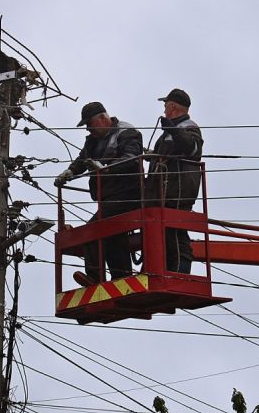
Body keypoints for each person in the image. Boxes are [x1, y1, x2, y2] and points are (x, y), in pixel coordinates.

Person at [55, 101, 143, 287]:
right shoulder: (94, 139)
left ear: (103, 118)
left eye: (90, 123)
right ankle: (122, 278)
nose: (88, 129)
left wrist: (106, 168)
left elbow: (132, 159)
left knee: (93, 230)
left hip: (128, 195)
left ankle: (95, 277)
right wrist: (70, 172)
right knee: (113, 236)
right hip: (108, 198)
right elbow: (83, 159)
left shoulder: (126, 132)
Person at [146, 88, 204, 274]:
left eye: (165, 106)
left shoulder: (189, 127)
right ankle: (164, 271)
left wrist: (172, 129)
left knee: (176, 236)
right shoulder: (170, 132)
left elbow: (192, 149)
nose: (164, 110)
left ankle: (180, 274)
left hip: (177, 192)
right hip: (163, 192)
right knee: (164, 236)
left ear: (172, 106)